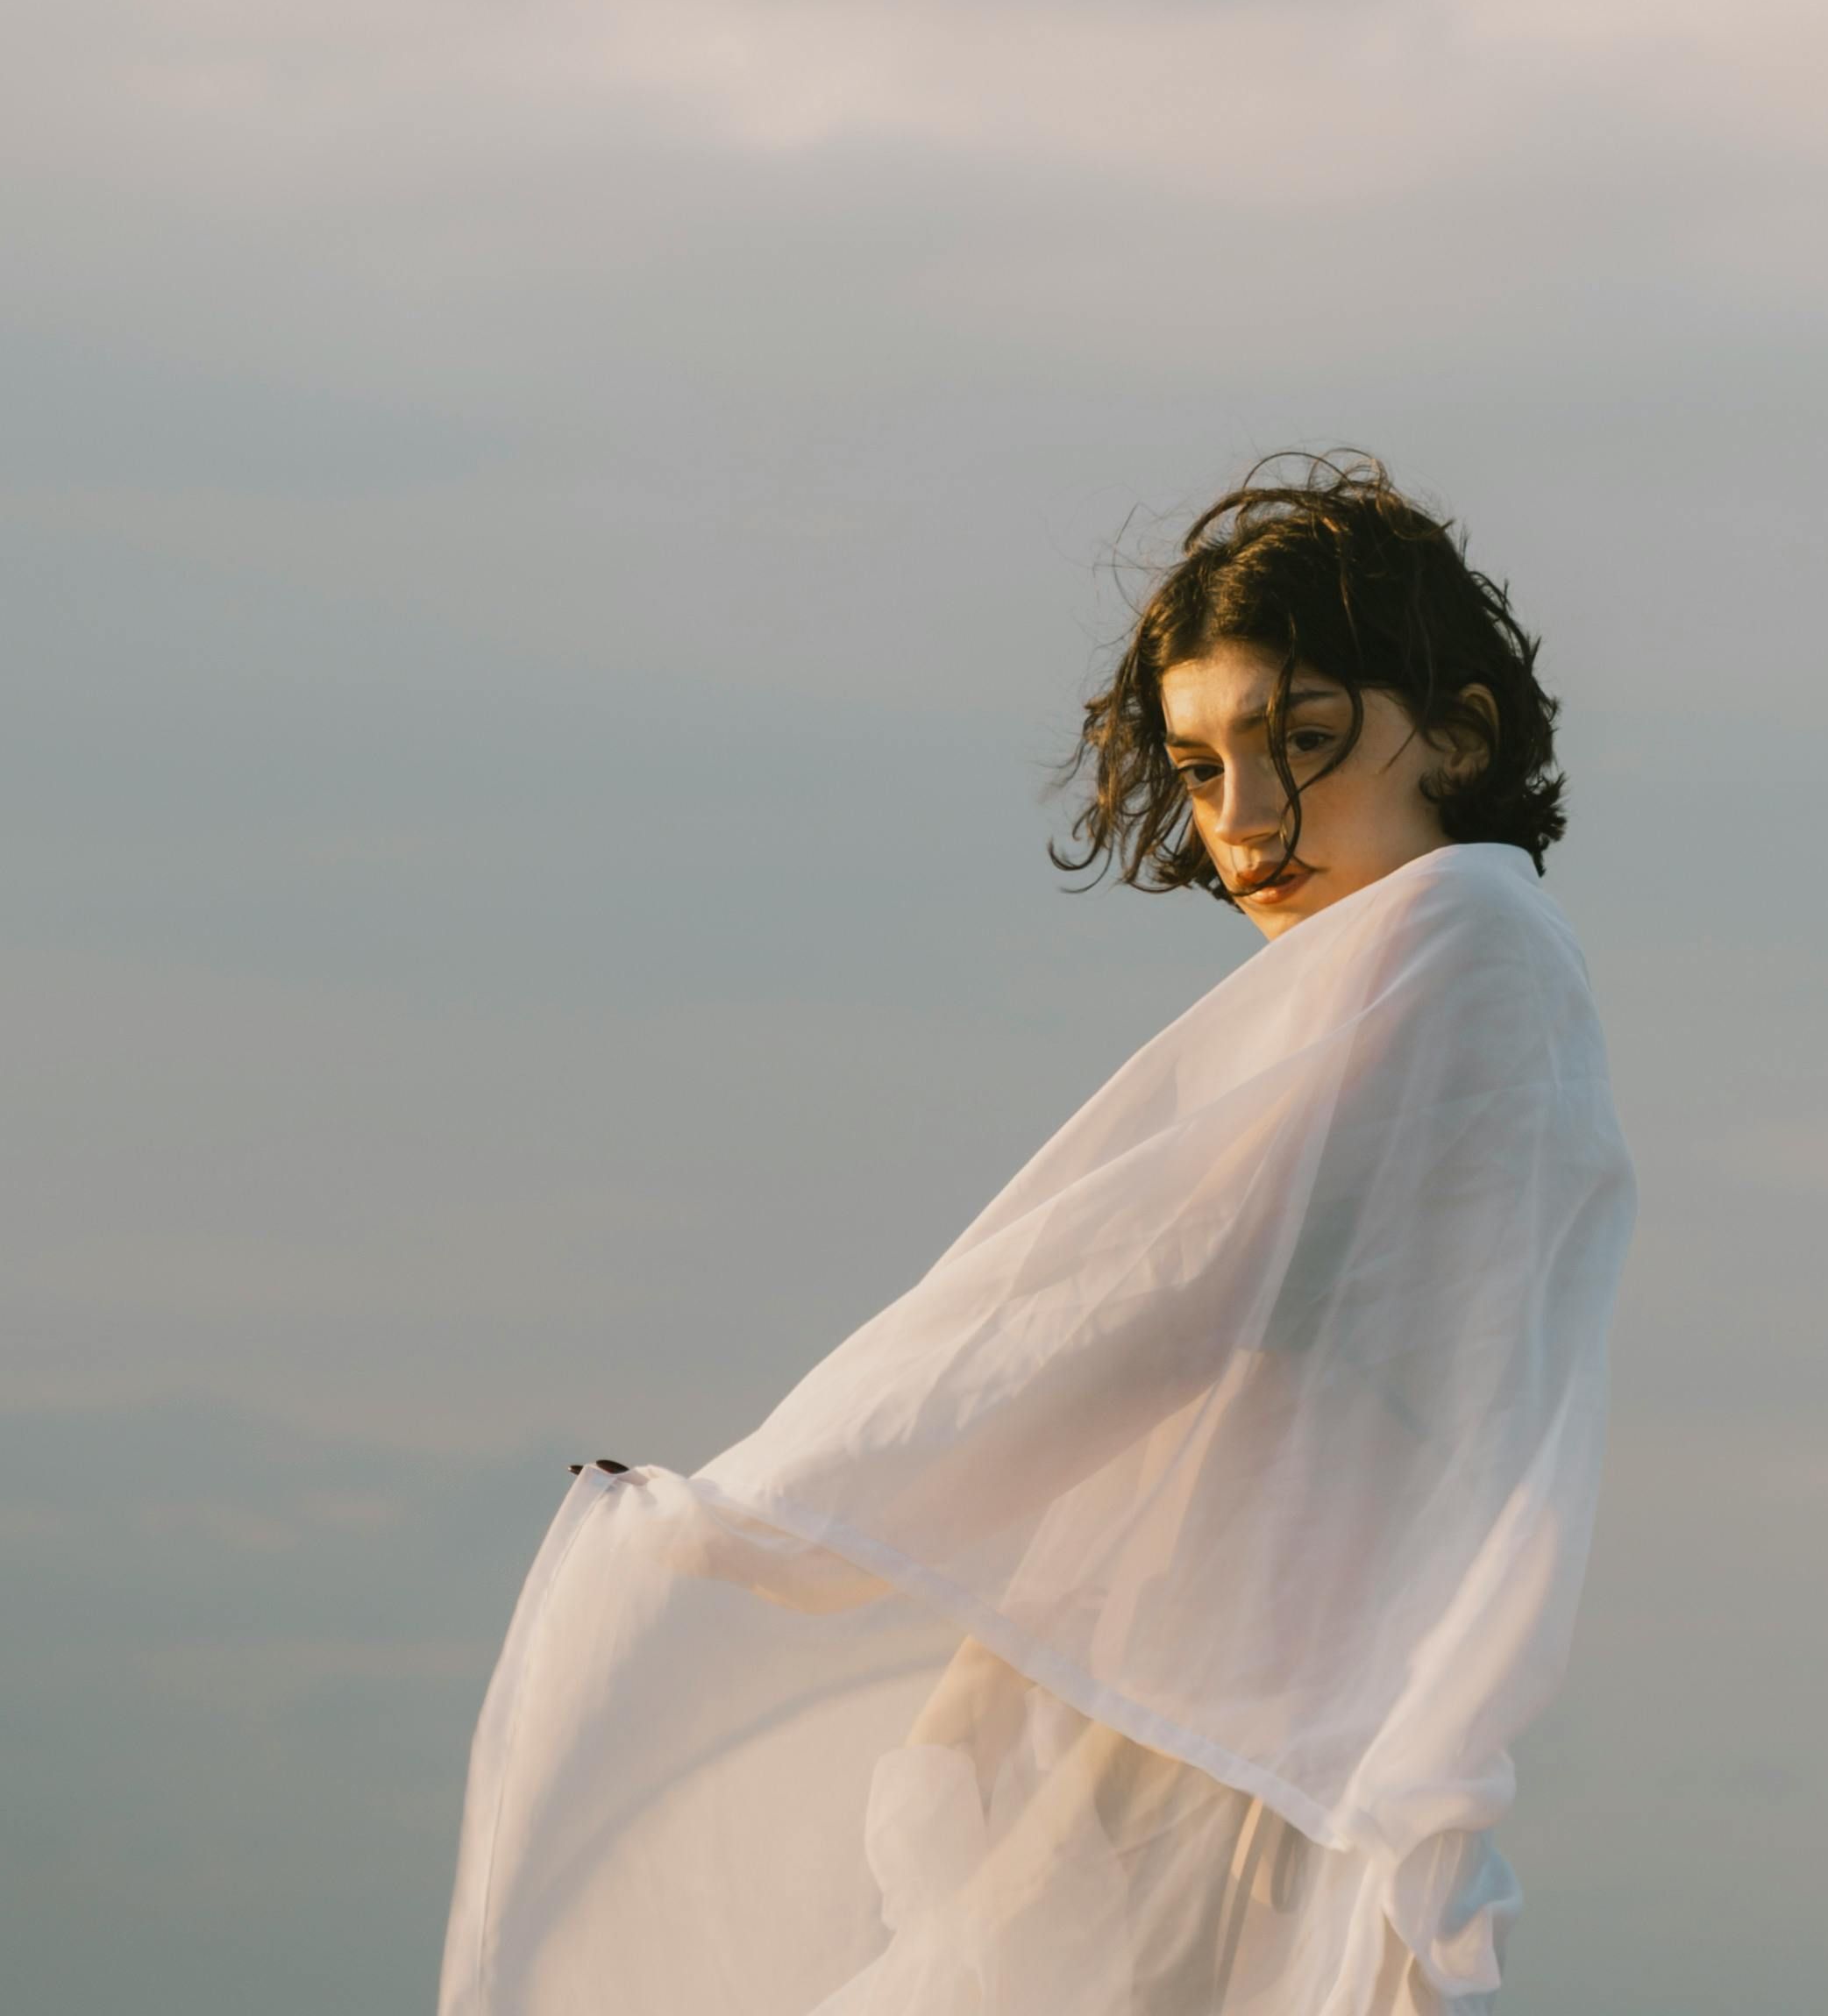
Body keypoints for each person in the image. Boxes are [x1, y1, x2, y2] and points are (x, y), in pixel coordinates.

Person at [438, 458, 1632, 2016]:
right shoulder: (1458, 972)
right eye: (1200, 768)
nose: (1246, 820)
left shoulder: (1465, 934)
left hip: (1231, 1744)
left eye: (1304, 741)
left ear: (1459, 735)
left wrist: (770, 1517)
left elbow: (1147, 1301)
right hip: (1230, 1723)